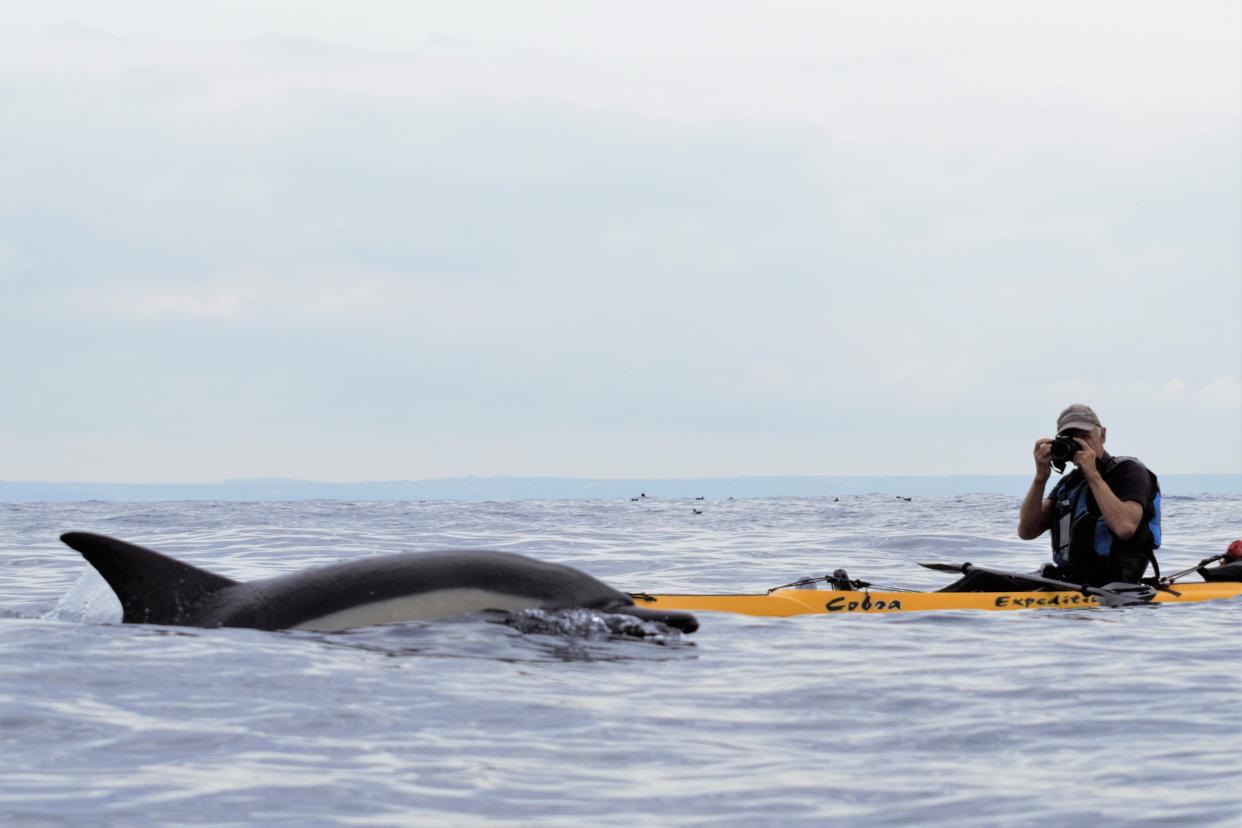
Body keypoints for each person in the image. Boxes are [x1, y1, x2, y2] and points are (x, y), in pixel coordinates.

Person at [1018, 403, 1161, 586]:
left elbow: (1125, 527)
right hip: (1070, 581)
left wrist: (1092, 474)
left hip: (1115, 586)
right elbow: (1026, 531)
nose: (1079, 443)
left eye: (1084, 435)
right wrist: (1040, 478)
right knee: (980, 580)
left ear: (1103, 435)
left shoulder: (1130, 472)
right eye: (1071, 437)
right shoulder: (1070, 483)